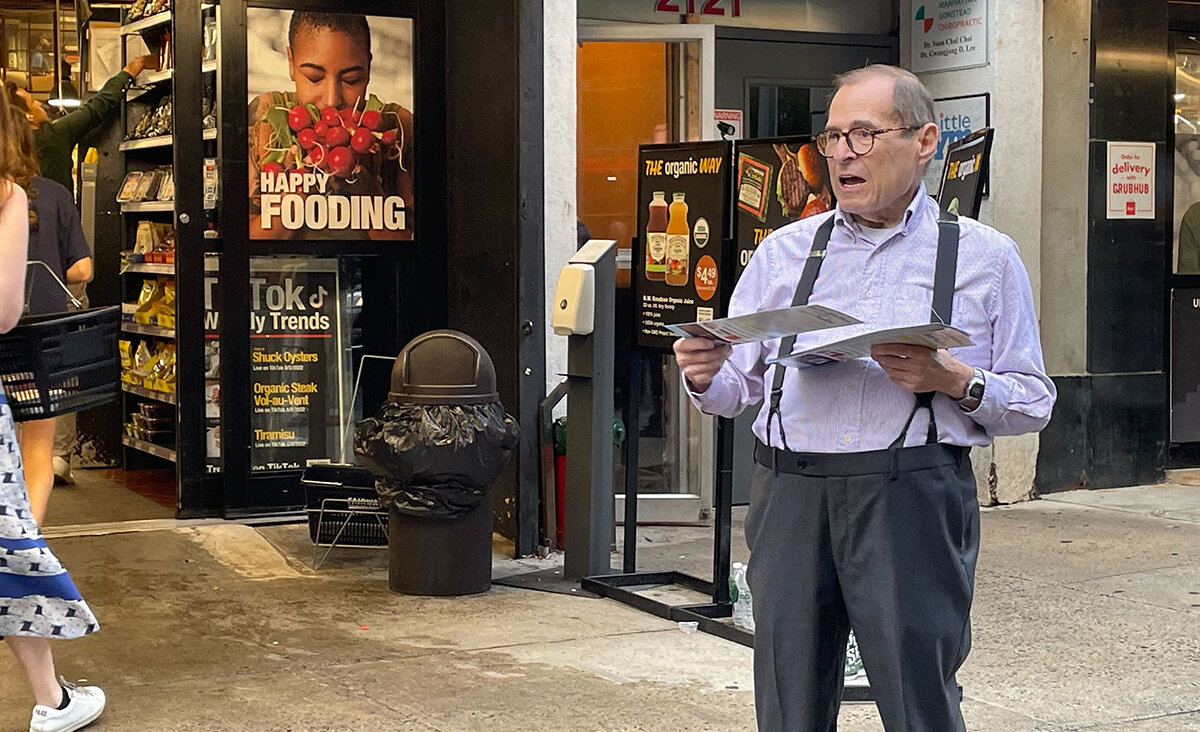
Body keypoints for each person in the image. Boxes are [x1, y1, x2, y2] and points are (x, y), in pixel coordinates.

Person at [673, 65, 1056, 731]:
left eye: (863, 134)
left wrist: (953, 380)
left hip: (911, 496)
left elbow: (1032, 400)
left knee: (919, 699)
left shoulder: (985, 258)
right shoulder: (784, 253)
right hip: (789, 493)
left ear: (925, 140)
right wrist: (706, 374)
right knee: (788, 693)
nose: (843, 153)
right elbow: (740, 390)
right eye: (832, 137)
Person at [0, 84, 104, 732]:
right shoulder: (17, 196)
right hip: (31, 347)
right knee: (10, 537)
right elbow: (7, 308)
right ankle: (52, 702)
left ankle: (53, 698)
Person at [7, 53, 154, 484]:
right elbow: (98, 108)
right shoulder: (53, 141)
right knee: (57, 372)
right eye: (29, 100)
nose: (39, 102)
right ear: (26, 123)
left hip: (15, 290)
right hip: (54, 272)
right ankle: (55, 456)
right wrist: (129, 72)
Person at [247, 11, 415, 240]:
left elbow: (424, 251)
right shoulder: (268, 117)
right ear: (290, 62)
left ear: (369, 67)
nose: (331, 99)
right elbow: (234, 243)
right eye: (314, 77)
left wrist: (369, 196)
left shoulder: (397, 126)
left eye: (351, 80)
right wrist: (291, 204)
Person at [7, 108, 93, 525]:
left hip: (4, 334)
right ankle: (30, 534)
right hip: (44, 334)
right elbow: (83, 270)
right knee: (39, 444)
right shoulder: (56, 193)